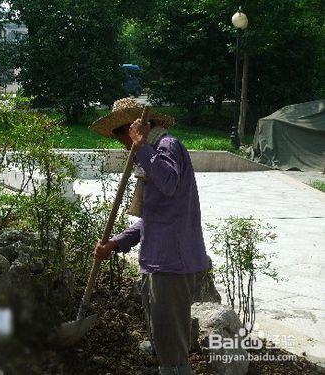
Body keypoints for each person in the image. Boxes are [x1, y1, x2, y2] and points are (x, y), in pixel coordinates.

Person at [90, 98, 210, 375]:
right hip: (157, 259)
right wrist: (117, 243)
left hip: (172, 263)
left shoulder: (167, 146)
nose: (121, 143)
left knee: (172, 351)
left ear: (132, 130)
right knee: (161, 332)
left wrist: (140, 146)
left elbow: (167, 182)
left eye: (120, 136)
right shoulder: (152, 153)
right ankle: (164, 357)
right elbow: (153, 220)